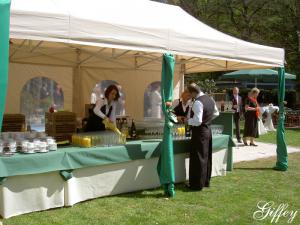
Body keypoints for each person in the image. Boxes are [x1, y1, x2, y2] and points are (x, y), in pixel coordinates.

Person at [186, 83, 219, 191]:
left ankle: (196, 184)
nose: (190, 96)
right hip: (208, 130)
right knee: (206, 157)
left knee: (198, 157)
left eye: (190, 94)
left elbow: (198, 121)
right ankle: (205, 181)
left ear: (193, 92)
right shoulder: (210, 99)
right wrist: (208, 120)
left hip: (200, 132)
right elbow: (216, 113)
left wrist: (187, 121)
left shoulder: (198, 102)